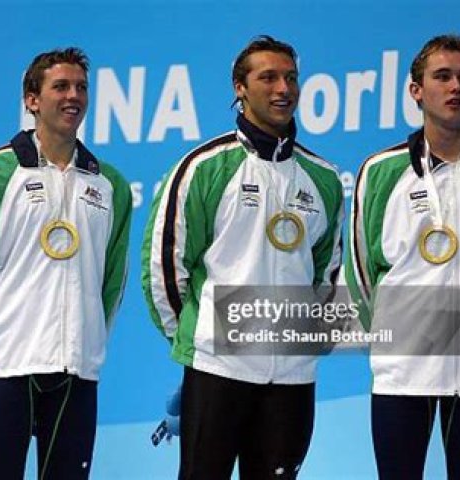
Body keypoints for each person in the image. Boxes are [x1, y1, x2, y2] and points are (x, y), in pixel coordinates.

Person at [141, 35, 344, 479]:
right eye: (268, 77)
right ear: (240, 87)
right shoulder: (204, 167)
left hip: (292, 375)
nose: (283, 89)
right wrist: (199, 340)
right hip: (218, 366)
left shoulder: (324, 178)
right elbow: (165, 266)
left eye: (291, 78)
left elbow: (327, 276)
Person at [0, 47, 132, 480]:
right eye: (60, 86)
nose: (73, 96)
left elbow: (111, 282)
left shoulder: (110, 185)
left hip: (76, 369)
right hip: (8, 362)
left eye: (81, 87)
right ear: (32, 100)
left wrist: (89, 343)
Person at [345, 34, 460, 479]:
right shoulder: (381, 171)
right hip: (403, 368)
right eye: (442, 77)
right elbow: (360, 272)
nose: (455, 86)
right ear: (417, 90)